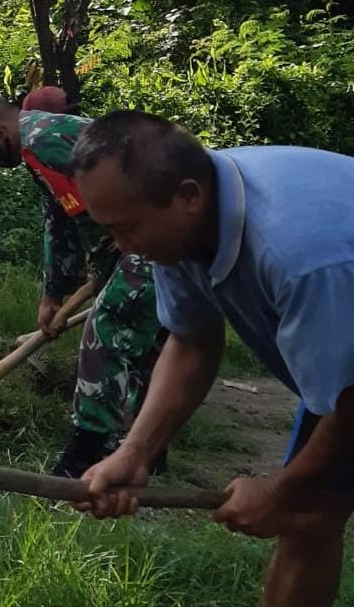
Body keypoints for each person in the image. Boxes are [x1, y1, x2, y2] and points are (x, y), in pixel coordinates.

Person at [70, 110, 354, 607]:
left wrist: (281, 492)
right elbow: (192, 339)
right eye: (111, 230)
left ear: (187, 197)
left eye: (127, 229)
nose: (123, 246)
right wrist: (135, 452)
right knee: (310, 516)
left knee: (301, 504)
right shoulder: (181, 228)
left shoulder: (300, 256)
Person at [0, 89, 165, 478]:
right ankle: (149, 449)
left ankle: (84, 455)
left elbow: (94, 216)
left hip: (160, 229)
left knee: (108, 326)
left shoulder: (43, 142)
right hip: (151, 229)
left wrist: (105, 270)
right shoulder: (42, 144)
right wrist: (52, 294)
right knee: (146, 339)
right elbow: (62, 218)